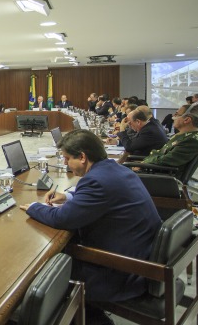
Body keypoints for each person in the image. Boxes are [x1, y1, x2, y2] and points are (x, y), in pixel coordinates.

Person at [20, 129, 161, 305]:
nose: (65, 164)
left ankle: (88, 316)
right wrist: (69, 196)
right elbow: (100, 199)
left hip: (121, 274)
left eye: (67, 158)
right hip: (140, 258)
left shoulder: (96, 181)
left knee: (39, 273)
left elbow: (62, 219)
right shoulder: (115, 168)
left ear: (82, 157)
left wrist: (34, 207)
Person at [141, 103, 198, 177]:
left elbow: (165, 160)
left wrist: (143, 163)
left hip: (162, 178)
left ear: (187, 120)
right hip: (156, 173)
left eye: (177, 114)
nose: (173, 117)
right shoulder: (184, 136)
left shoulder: (192, 141)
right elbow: (161, 154)